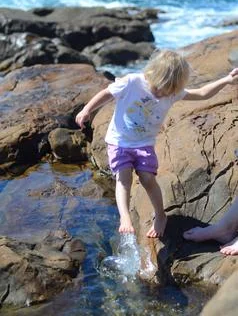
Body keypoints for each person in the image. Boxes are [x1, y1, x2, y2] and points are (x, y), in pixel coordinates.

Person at [75, 49, 238, 238]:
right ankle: (125, 217)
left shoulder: (171, 92)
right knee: (123, 177)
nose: (161, 94)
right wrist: (87, 110)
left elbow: (202, 93)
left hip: (144, 144)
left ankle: (160, 215)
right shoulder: (132, 82)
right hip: (119, 141)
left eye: (167, 91)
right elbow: (107, 93)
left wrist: (226, 80)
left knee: (148, 179)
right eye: (158, 89)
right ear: (151, 75)